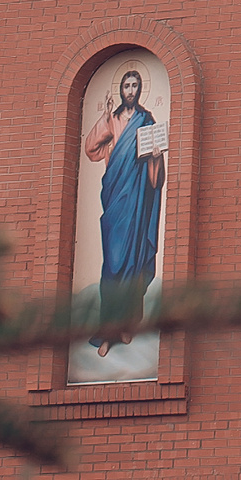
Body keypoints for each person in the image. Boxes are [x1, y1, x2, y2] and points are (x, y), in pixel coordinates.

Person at [81, 68, 166, 355]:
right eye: (126, 86)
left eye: (135, 86)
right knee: (113, 267)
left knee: (133, 263)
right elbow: (92, 149)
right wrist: (104, 117)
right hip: (116, 202)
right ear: (121, 90)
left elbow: (156, 177)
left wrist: (155, 158)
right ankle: (107, 330)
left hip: (139, 202)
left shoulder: (146, 120)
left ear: (140, 89)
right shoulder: (114, 120)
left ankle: (128, 325)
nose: (130, 90)